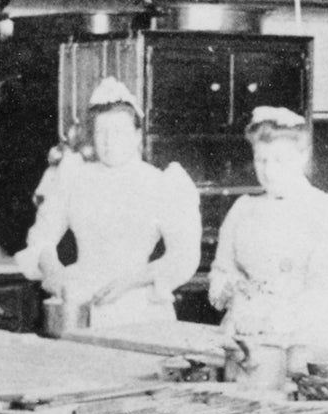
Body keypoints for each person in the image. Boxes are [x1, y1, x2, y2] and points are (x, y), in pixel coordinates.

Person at [17, 76, 201, 330]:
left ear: (137, 136)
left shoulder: (161, 183)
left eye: (118, 132)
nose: (108, 140)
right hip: (80, 301)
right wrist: (54, 271)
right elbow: (41, 239)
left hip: (138, 304)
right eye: (100, 132)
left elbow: (183, 257)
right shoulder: (73, 177)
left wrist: (130, 282)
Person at [208, 107, 328, 347]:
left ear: (303, 156)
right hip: (242, 334)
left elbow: (326, 289)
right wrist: (231, 294)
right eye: (261, 160)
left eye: (280, 160)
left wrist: (269, 322)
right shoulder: (243, 209)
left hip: (304, 336)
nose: (268, 170)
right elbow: (221, 270)